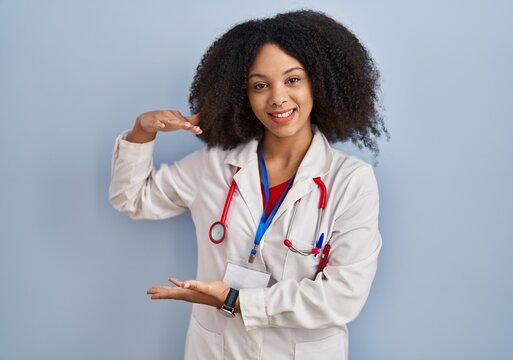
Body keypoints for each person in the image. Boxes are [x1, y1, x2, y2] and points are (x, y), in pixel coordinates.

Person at [109, 9, 388, 360]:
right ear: (242, 95)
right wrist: (142, 130)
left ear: (319, 81)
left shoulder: (350, 181)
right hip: (217, 350)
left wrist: (234, 300)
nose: (277, 98)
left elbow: (343, 296)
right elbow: (131, 198)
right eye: (260, 85)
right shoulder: (214, 165)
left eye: (292, 80)